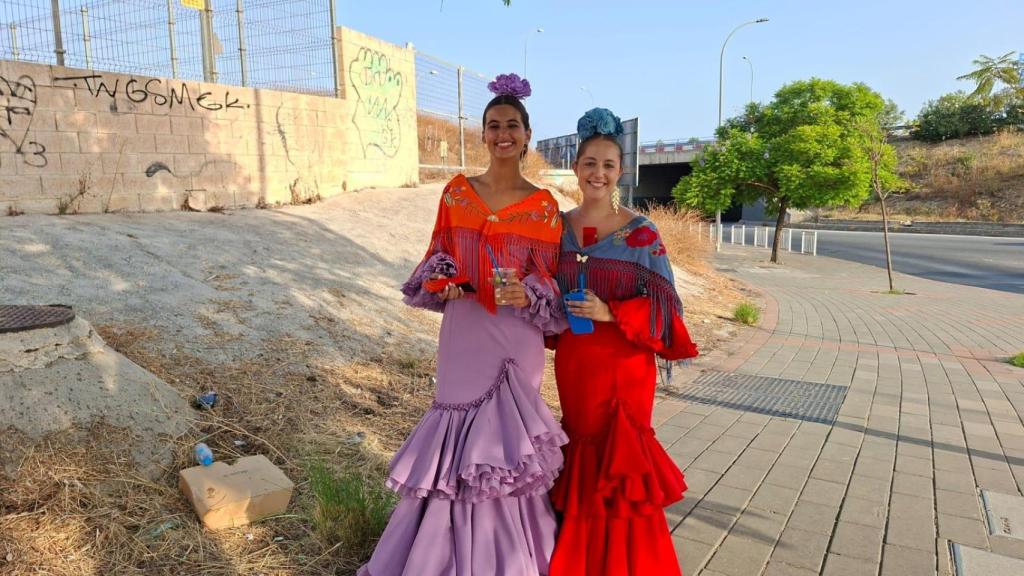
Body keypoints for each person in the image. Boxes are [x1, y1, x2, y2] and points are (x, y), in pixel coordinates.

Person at [358, 73, 567, 576]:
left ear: (526, 135)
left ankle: (510, 560)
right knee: (454, 442)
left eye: (512, 125)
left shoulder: (544, 207)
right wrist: (444, 282)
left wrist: (529, 292)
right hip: (465, 333)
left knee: (505, 448)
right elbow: (438, 257)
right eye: (493, 125)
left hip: (518, 340)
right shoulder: (455, 193)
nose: (503, 134)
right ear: (482, 134)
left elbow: (551, 280)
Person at [548, 108, 699, 576]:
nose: (598, 173)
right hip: (577, 364)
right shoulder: (555, 228)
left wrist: (610, 312)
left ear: (621, 172)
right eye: (590, 163)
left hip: (626, 364)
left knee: (621, 461)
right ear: (576, 167)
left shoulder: (643, 233)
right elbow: (542, 290)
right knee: (580, 453)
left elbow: (666, 310)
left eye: (608, 165)